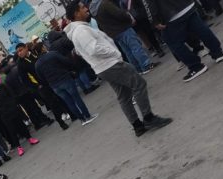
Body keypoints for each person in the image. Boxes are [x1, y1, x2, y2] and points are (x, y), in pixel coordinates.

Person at [65, 0, 174, 136]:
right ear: (76, 13)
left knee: (124, 95)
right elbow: (93, 49)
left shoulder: (79, 29)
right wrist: (113, 53)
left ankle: (137, 126)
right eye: (82, 8)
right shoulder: (81, 30)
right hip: (109, 64)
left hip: (103, 67)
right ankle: (149, 118)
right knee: (139, 83)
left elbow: (83, 51)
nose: (86, 8)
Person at [138, 0, 223, 81]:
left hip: (171, 13)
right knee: (201, 29)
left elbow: (148, 3)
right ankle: (218, 52)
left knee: (172, 41)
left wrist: (154, 20)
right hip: (186, 5)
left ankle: (196, 66)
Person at [34, 48, 99, 125]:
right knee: (77, 98)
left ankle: (82, 119)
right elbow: (67, 62)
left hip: (54, 85)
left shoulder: (37, 64)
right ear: (42, 49)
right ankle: (87, 116)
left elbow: (41, 77)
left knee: (69, 102)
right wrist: (69, 69)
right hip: (64, 79)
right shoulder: (52, 54)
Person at [91, 0, 157, 73]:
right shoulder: (104, 4)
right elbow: (119, 14)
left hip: (113, 33)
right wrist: (128, 17)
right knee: (135, 47)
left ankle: (138, 69)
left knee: (128, 51)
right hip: (122, 28)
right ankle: (146, 65)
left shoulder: (93, 8)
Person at [0, 74, 39, 156]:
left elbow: (11, 95)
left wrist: (13, 105)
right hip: (5, 115)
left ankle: (30, 138)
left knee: (21, 125)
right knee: (12, 131)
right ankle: (19, 147)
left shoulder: (2, 86)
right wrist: (1, 111)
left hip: (13, 110)